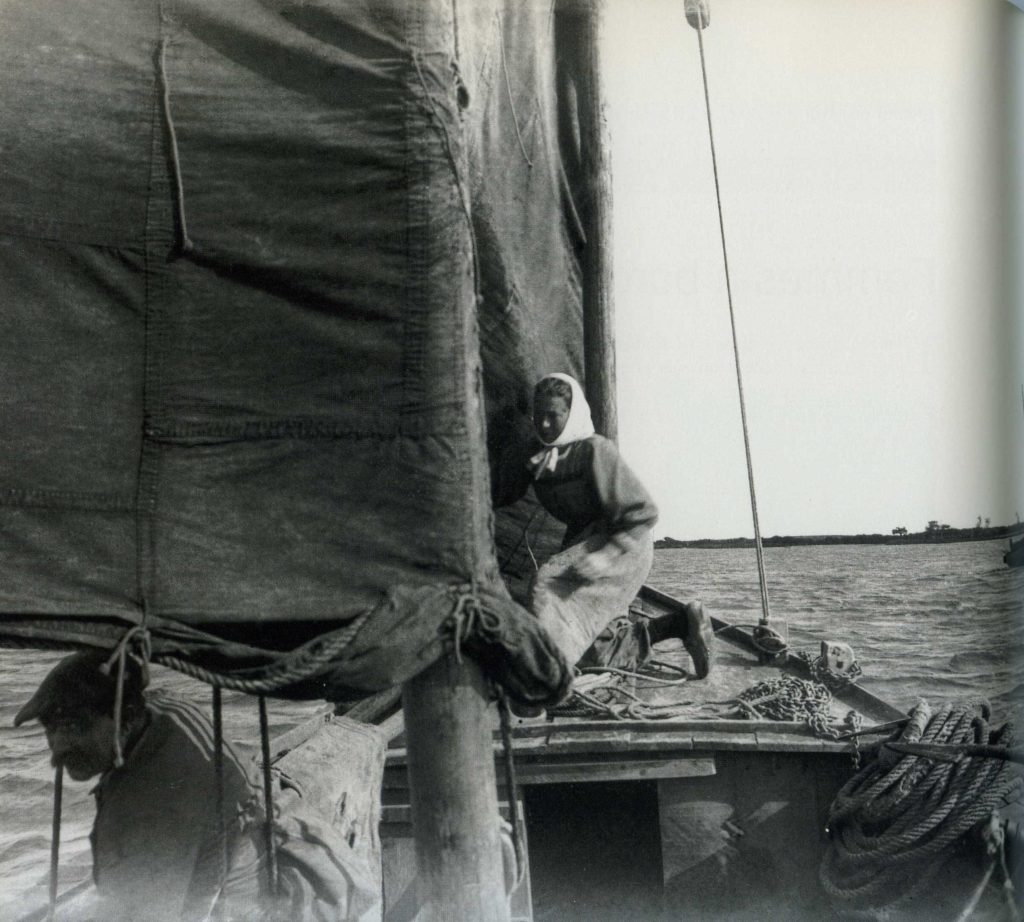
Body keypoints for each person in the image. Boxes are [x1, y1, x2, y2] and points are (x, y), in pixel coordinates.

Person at [15, 649, 266, 921]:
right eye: (50, 727)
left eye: (76, 726)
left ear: (128, 715)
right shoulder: (156, 712)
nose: (59, 746)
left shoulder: (149, 810)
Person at [513, 372, 713, 681]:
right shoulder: (537, 456)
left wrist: (605, 556)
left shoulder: (595, 450)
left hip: (623, 543)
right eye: (538, 416)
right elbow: (501, 491)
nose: (545, 425)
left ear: (572, 413)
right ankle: (681, 625)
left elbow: (644, 511)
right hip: (584, 541)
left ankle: (544, 680)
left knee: (546, 585)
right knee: (595, 652)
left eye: (554, 415)